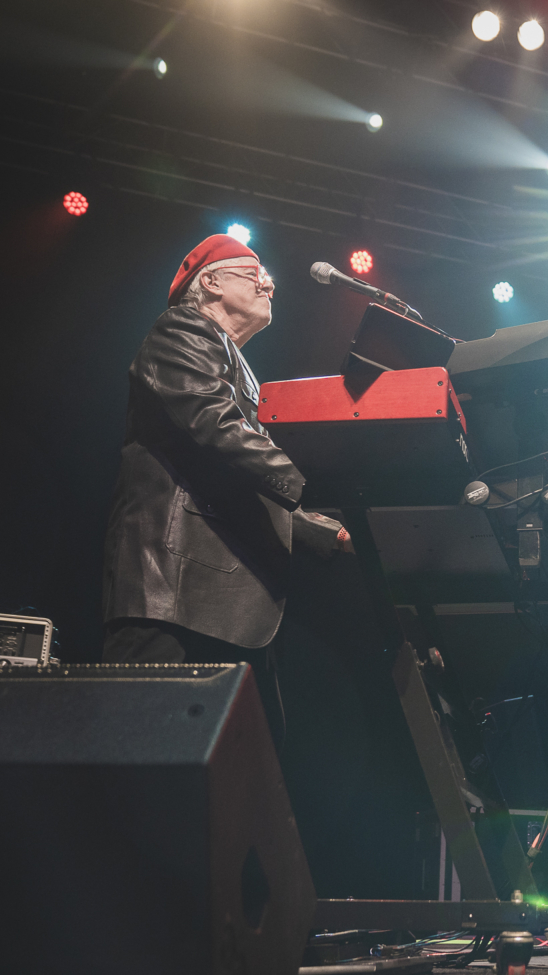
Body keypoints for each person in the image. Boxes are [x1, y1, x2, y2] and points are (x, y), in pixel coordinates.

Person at [101, 234, 349, 740]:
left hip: (215, 595)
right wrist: (308, 485)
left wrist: (323, 530)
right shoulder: (181, 330)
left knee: (237, 772)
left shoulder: (236, 363)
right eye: (252, 272)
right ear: (210, 283)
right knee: (148, 753)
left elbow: (238, 473)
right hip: (168, 588)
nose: (270, 283)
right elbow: (216, 424)